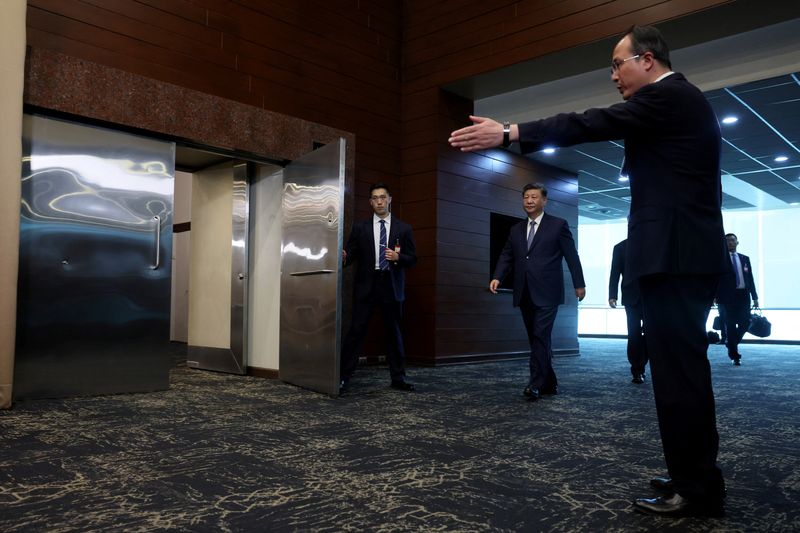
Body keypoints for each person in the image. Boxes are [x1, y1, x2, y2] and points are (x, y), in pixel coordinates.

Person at [449, 25, 729, 517]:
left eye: (617, 64)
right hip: (675, 258)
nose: (614, 76)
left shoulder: (673, 97)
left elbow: (590, 121)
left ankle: (699, 489)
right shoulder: (674, 104)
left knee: (680, 374)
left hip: (678, 261)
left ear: (647, 59)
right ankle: (693, 474)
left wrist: (512, 132)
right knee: (676, 372)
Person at [489, 183, 586, 401]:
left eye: (534, 197)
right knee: (537, 338)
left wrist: (579, 284)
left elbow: (572, 256)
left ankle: (536, 383)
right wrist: (497, 276)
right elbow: (507, 255)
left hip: (548, 291)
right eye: (525, 197)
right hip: (524, 291)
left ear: (544, 201)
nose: (529, 201)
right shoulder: (516, 229)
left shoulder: (558, 225)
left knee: (540, 335)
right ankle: (549, 381)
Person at [339, 183, 417, 394]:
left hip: (391, 286)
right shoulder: (360, 227)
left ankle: (398, 379)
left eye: (383, 197)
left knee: (394, 333)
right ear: (370, 202)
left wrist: (399, 257)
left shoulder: (404, 228)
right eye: (375, 198)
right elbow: (350, 255)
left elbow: (413, 259)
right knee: (356, 331)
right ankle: (342, 377)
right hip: (366, 285)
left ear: (390, 199)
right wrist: (344, 257)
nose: (380, 201)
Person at [608, 238, 648, 384]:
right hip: (631, 297)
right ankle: (637, 370)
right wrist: (612, 295)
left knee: (652, 333)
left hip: (652, 297)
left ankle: (646, 362)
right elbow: (615, 272)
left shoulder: (653, 243)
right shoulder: (620, 247)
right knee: (634, 333)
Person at [715, 233, 759, 365]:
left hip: (743, 296)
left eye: (733, 240)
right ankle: (735, 356)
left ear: (737, 242)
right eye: (727, 241)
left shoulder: (745, 258)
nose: (730, 243)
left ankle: (731, 342)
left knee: (745, 322)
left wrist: (755, 297)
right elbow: (715, 280)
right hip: (726, 297)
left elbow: (750, 279)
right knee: (730, 325)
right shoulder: (720, 260)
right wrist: (715, 296)